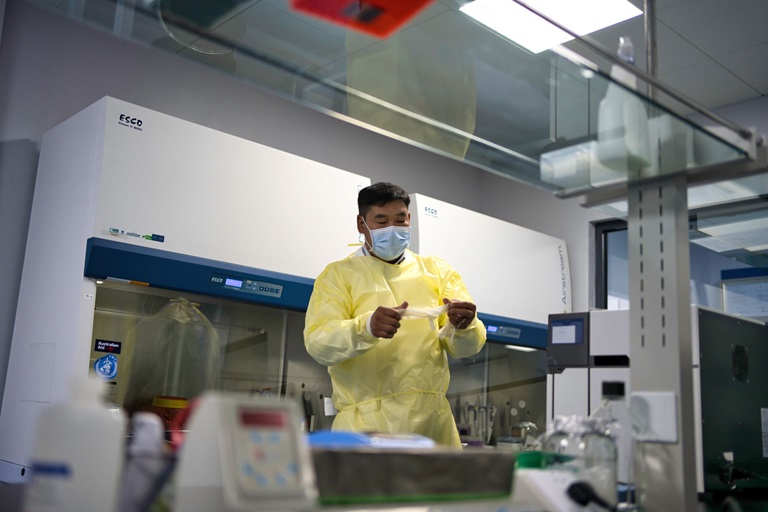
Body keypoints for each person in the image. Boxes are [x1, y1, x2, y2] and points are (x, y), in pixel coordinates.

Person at [303, 182, 486, 447]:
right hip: (365, 431)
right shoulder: (338, 276)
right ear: (360, 224)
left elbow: (465, 349)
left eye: (400, 220)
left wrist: (464, 326)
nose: (393, 228)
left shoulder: (438, 272)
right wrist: (365, 327)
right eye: (381, 220)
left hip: (434, 428)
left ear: (409, 218)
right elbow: (319, 343)